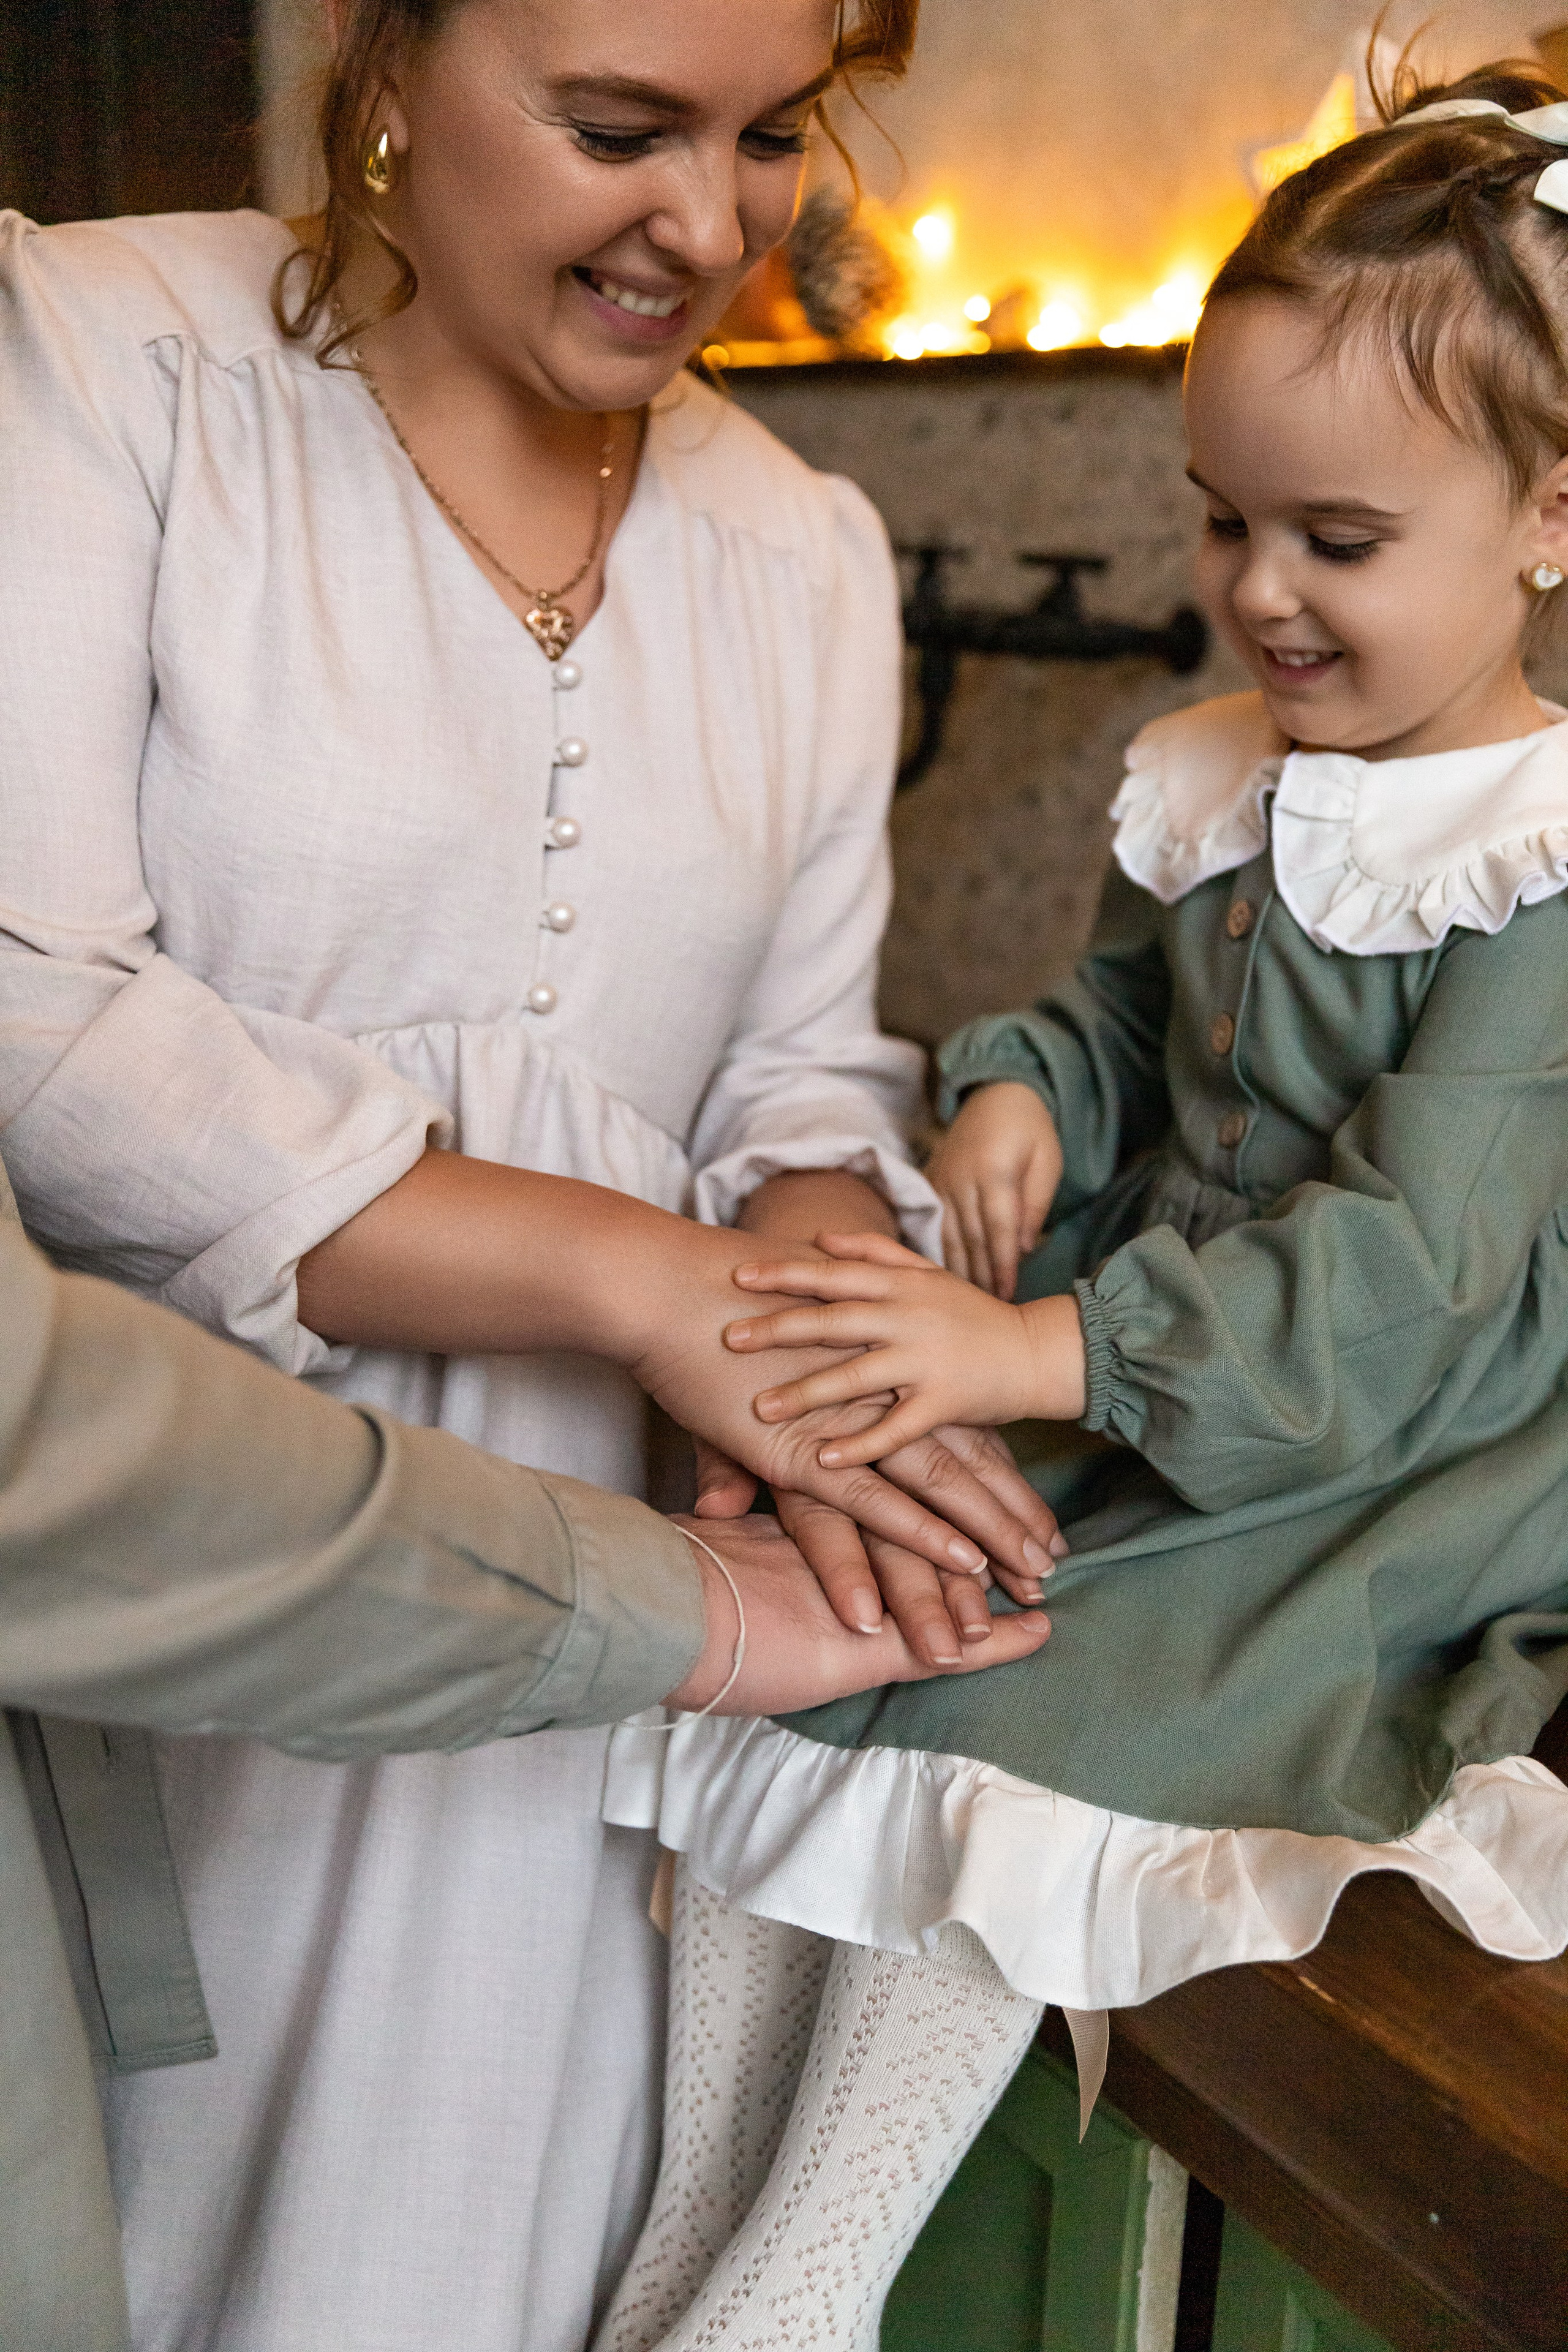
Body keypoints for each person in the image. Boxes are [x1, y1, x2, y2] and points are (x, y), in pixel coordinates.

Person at [0, 1, 1066, 2344]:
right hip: (174, 1576)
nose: (707, 221)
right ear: (388, 64)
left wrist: (825, 1361)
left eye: (774, 133)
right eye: (615, 129)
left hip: (630, 1644)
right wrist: (637, 1283)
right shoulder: (99, 357)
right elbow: (42, 1019)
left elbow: (799, 1089)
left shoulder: (796, 544)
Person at [603, 65, 1568, 2351]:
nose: (1258, 592)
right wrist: (1027, 1098)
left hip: (1368, 1435)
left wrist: (1044, 1350)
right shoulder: (1237, 764)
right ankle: (689, 2241)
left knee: (1027, 1699)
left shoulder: (1538, 861)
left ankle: (803, 2285)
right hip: (1160, 1347)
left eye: (1338, 540)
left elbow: (1412, 1283)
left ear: (1550, 516)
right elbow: (1120, 1006)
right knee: (831, 1618)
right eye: (1223, 519)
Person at [0, 1158, 1041, 2352]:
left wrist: (826, 1311)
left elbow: (804, 1062)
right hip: (259, 1438)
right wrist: (662, 1307)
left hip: (667, 1441)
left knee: (517, 2192)